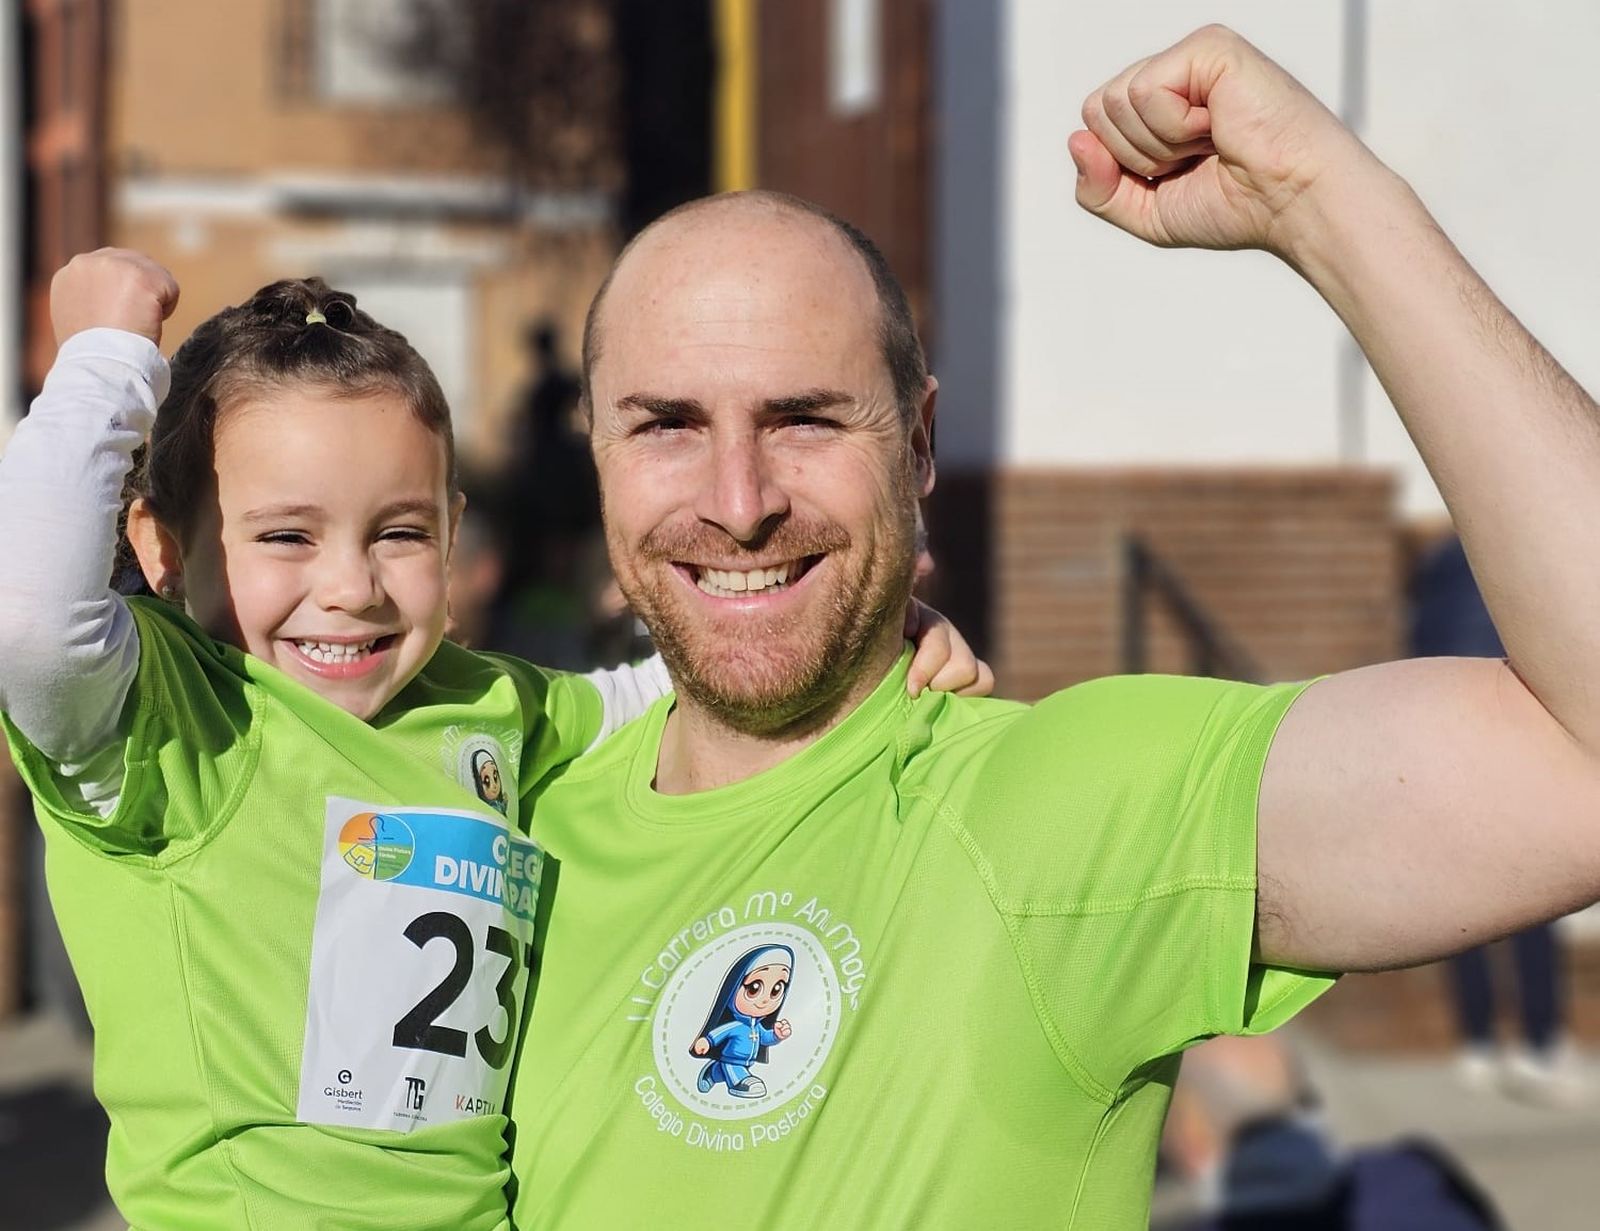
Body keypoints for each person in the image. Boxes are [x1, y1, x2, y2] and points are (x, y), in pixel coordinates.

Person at [504, 25, 1600, 1229]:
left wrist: (1326, 204)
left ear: (917, 446)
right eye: (665, 423)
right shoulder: (497, 827)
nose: (739, 500)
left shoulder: (1052, 810)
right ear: (597, 453)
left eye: (805, 419)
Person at [0, 254, 986, 1229]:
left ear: (453, 529)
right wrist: (104, 351)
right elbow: (31, 621)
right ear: (162, 546)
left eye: (398, 533)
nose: (351, 586)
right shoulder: (171, 720)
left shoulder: (484, 707)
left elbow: (675, 689)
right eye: (286, 537)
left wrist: (875, 637)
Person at [1410, 532, 1584, 1105]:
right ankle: (1539, 1042)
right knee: (1532, 895)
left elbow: (1420, 647)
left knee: (1465, 897)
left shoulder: (1440, 561)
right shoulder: (1526, 545)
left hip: (1447, 729)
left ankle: (1480, 1042)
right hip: (1512, 730)